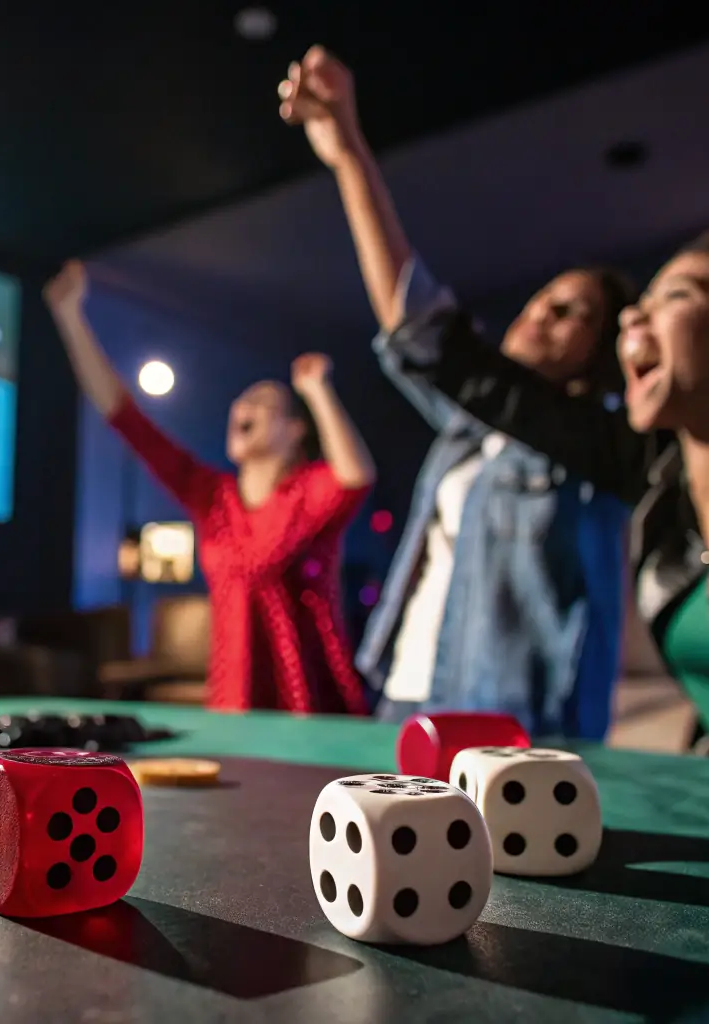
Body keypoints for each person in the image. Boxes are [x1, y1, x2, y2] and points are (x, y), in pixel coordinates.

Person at [339, 186, 709, 772]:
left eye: (676, 295)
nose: (635, 316)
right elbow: (436, 348)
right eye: (638, 304)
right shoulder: (658, 476)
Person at [279, 47, 634, 739]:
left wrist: (353, 149)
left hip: (507, 714)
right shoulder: (469, 431)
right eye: (542, 298)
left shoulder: (594, 445)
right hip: (406, 692)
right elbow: (407, 327)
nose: (541, 313)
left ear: (601, 352)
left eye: (572, 314)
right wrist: (343, 155)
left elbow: (426, 329)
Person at [44, 259, 376, 714]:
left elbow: (355, 475)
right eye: (242, 399)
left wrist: (317, 391)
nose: (243, 405)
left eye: (263, 402)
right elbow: (126, 418)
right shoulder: (210, 496)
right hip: (234, 698)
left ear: (295, 430)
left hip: (310, 702)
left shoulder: (309, 493)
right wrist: (70, 317)